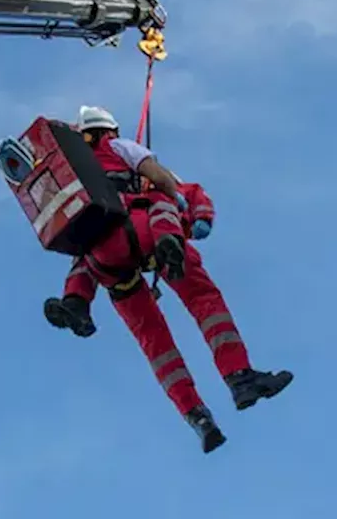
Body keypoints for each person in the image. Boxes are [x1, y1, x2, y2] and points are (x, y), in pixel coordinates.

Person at [44, 105, 293, 453]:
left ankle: (197, 418)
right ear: (109, 131)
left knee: (153, 341)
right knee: (204, 299)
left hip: (107, 257)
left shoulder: (72, 171)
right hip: (148, 229)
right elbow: (174, 185)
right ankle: (240, 377)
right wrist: (193, 213)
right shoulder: (123, 148)